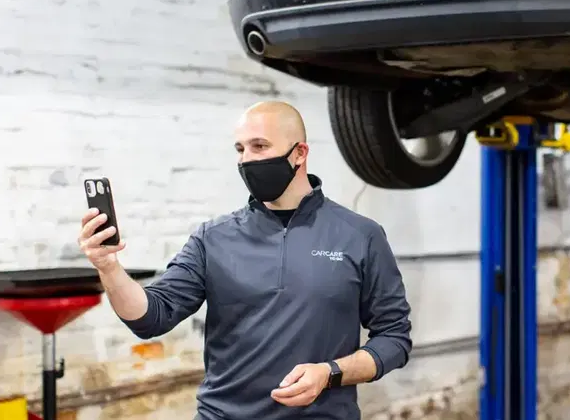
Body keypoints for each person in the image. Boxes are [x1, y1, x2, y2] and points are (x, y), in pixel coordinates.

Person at [77, 101, 413, 420]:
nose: (247, 160)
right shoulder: (213, 237)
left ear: (300, 153)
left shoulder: (360, 235)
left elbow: (394, 338)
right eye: (240, 149)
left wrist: (331, 373)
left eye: (259, 146)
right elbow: (151, 317)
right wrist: (109, 268)